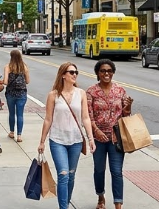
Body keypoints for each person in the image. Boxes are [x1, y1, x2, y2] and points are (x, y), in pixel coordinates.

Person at [38, 62, 95, 209]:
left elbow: (85, 118)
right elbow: (48, 119)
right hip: (57, 140)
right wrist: (42, 141)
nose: (74, 74)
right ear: (63, 75)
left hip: (76, 140)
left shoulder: (81, 93)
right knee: (63, 175)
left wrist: (90, 138)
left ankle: (66, 202)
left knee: (71, 175)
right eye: (71, 72)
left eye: (76, 72)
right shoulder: (53, 95)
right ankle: (63, 207)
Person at [87, 59, 133, 209]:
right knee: (99, 170)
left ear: (113, 73)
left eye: (109, 71)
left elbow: (125, 116)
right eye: (103, 71)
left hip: (116, 138)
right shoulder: (91, 92)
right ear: (98, 73)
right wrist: (96, 131)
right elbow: (88, 116)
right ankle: (101, 197)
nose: (106, 73)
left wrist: (128, 108)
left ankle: (118, 203)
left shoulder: (120, 91)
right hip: (98, 138)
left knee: (116, 171)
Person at [4, 49, 29, 142]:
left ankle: (11, 132)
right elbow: (27, 81)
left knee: (11, 113)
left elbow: (6, 82)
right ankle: (19, 135)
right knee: (20, 114)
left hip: (11, 93)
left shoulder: (8, 67)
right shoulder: (24, 67)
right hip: (22, 93)